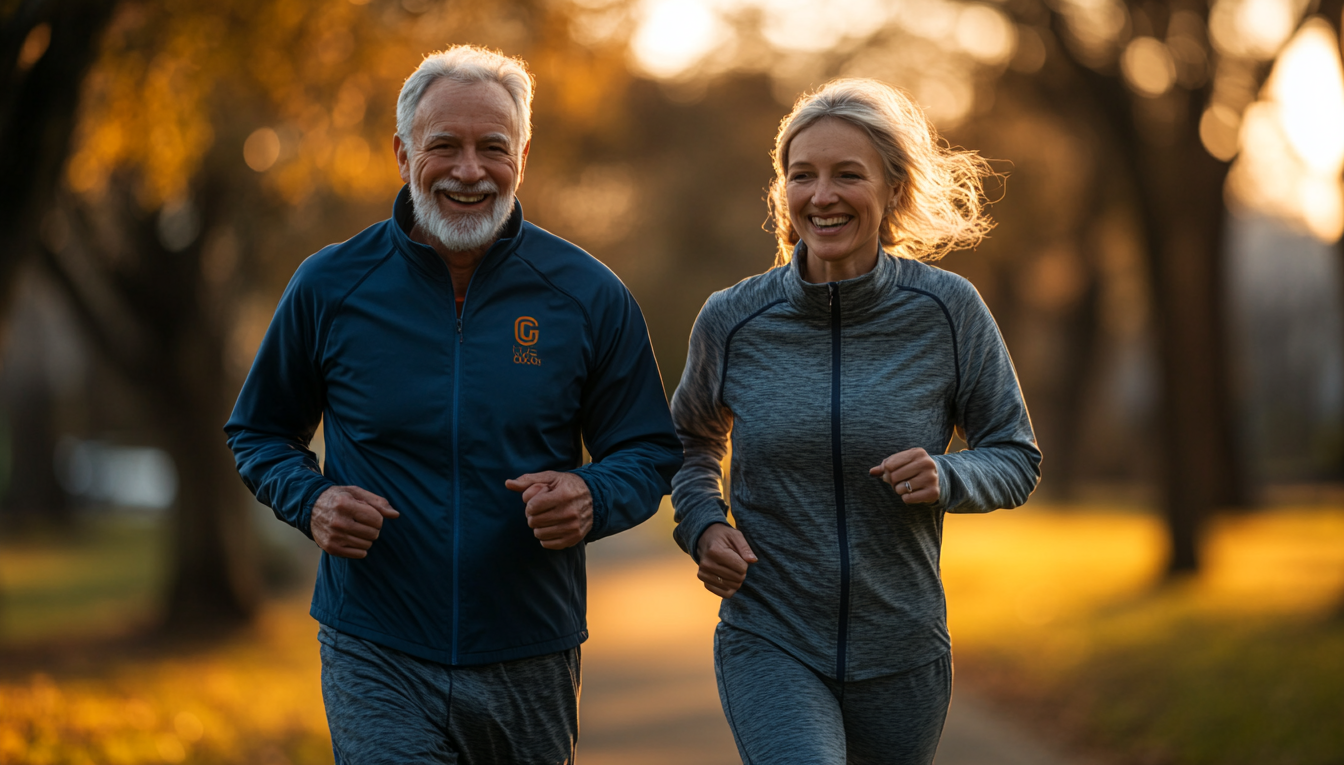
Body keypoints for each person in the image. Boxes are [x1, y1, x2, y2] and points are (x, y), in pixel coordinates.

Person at [225, 45, 681, 765]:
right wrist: (309, 501)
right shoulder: (330, 285)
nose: (469, 171)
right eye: (444, 146)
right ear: (403, 156)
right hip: (376, 644)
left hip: (531, 649)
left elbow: (650, 451)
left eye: (492, 148)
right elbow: (259, 431)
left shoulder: (589, 296)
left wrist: (592, 496)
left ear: (522, 156)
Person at [670, 77, 1041, 765]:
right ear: (782, 193)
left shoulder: (948, 312)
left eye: (848, 174)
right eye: (801, 175)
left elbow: (1016, 456)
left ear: (894, 190)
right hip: (769, 634)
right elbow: (691, 441)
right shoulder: (734, 318)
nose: (822, 195)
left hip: (902, 649)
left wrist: (948, 474)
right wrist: (703, 523)